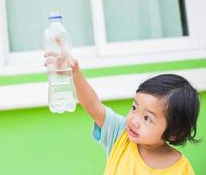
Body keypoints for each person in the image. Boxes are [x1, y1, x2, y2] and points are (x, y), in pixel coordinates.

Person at [44, 51, 200, 175]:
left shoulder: (182, 170)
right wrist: (75, 74)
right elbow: (92, 105)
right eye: (134, 108)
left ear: (174, 133)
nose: (134, 120)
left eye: (147, 118)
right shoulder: (120, 134)